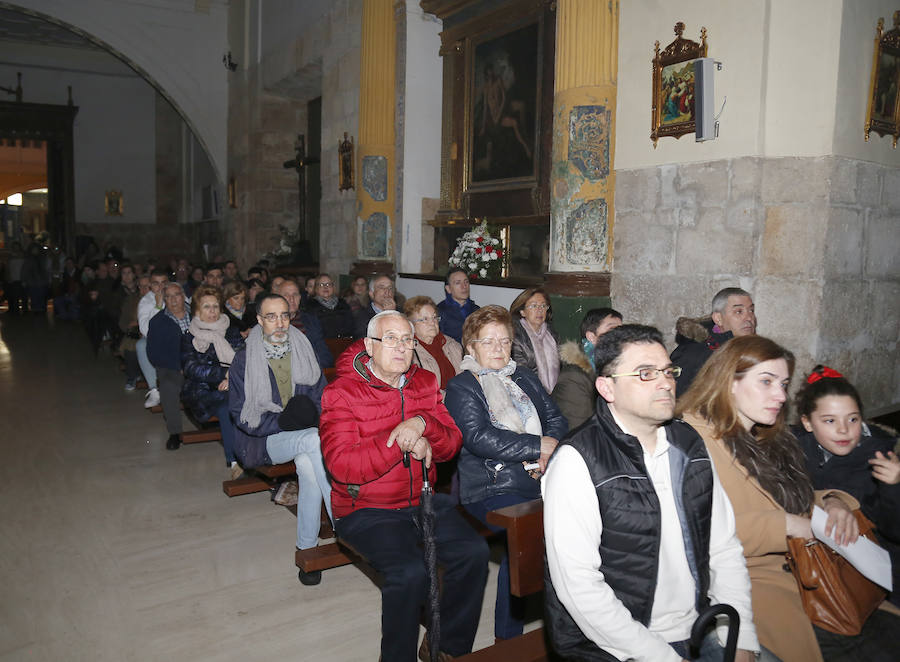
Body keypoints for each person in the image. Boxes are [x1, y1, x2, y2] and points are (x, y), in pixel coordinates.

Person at [543, 324, 760, 662]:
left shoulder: (690, 445)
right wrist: (660, 656)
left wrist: (740, 634)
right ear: (607, 388)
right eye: (645, 373)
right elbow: (580, 587)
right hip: (620, 646)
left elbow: (723, 547)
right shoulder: (577, 461)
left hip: (701, 627)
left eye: (667, 371)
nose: (665, 382)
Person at [677, 335, 900, 662]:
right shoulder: (695, 442)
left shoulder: (763, 436)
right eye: (766, 382)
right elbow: (697, 531)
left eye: (782, 383)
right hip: (767, 587)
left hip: (819, 573)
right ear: (729, 382)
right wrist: (788, 525)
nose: (780, 395)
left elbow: (785, 496)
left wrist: (835, 502)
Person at [320, 310, 489, 661]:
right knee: (409, 573)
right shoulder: (341, 393)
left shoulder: (425, 383)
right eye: (391, 339)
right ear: (369, 346)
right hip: (366, 509)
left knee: (474, 553)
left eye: (408, 340)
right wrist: (402, 440)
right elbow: (343, 465)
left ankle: (447, 648)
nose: (401, 347)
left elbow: (451, 443)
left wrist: (422, 422)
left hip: (421, 499)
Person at [445, 305, 567, 641]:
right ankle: (508, 639)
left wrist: (550, 448)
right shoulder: (462, 387)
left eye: (504, 341)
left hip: (543, 475)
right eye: (489, 342)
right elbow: (480, 438)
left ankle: (568, 623)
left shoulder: (524, 376)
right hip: (491, 485)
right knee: (525, 538)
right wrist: (537, 446)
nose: (499, 349)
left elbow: (556, 418)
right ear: (471, 347)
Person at [228, 293, 333, 584]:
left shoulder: (302, 348)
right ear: (260, 320)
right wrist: (286, 422)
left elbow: (322, 397)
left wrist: (307, 419)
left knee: (309, 467)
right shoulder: (244, 359)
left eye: (284, 315)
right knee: (313, 441)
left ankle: (307, 549)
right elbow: (241, 415)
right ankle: (346, 522)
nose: (279, 323)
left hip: (304, 436)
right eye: (271, 317)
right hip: (263, 439)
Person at [795, 365, 900, 607]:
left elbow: (894, 531)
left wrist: (893, 486)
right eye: (830, 420)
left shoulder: (881, 458)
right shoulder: (797, 450)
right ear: (808, 423)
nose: (844, 430)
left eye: (852, 419)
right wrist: (828, 499)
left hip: (877, 579)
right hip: (818, 568)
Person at [181, 285, 244, 479]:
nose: (212, 311)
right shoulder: (189, 337)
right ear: (197, 311)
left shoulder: (231, 331)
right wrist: (224, 374)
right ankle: (234, 462)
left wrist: (231, 378)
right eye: (206, 306)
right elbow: (192, 368)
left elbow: (244, 358)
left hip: (233, 385)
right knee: (226, 406)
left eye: (215, 306)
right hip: (201, 391)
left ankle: (255, 454)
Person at [671, 287, 756, 392]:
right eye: (739, 311)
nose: (749, 318)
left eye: (751, 310)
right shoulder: (695, 355)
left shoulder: (755, 350)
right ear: (718, 319)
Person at [552, 307, 622, 429]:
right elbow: (579, 431)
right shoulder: (574, 378)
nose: (621, 335)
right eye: (612, 329)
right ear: (591, 337)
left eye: (621, 329)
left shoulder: (613, 366)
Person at [147, 283, 191, 450]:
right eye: (169, 296)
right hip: (172, 367)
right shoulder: (158, 322)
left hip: (199, 365)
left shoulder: (198, 314)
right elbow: (154, 354)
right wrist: (180, 365)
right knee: (168, 387)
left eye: (177, 295)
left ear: (183, 295)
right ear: (164, 299)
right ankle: (174, 432)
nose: (173, 300)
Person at [404, 295, 463, 391]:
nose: (432, 322)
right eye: (425, 319)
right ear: (411, 324)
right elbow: (421, 390)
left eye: (434, 317)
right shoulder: (409, 352)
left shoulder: (453, 345)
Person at [510, 287, 560, 393]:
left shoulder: (552, 335)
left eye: (543, 305)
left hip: (556, 394)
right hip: (529, 393)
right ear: (522, 312)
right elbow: (521, 376)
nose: (540, 310)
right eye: (534, 306)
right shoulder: (515, 337)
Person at [276, 278, 333, 369]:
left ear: (300, 297)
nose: (291, 299)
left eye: (295, 294)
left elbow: (325, 356)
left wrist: (310, 368)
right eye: (286, 295)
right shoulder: (270, 324)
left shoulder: (310, 320)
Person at [138, 269, 169, 409]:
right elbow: (145, 330)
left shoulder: (177, 294)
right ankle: (154, 390)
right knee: (141, 345)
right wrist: (157, 306)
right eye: (156, 284)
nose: (161, 287)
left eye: (164, 283)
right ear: (150, 285)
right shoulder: (145, 301)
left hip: (176, 336)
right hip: (156, 340)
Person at [305, 273, 354, 338]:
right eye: (322, 285)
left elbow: (351, 326)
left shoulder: (343, 304)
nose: (325, 287)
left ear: (333, 287)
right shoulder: (310, 306)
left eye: (328, 284)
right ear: (316, 288)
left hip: (343, 343)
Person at [437, 268, 478, 343]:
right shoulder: (440, 311)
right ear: (448, 289)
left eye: (466, 282)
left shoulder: (477, 311)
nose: (464, 286)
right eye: (458, 283)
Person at [352, 274, 396, 338]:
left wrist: (393, 314)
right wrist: (388, 316)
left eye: (390, 288)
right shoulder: (361, 316)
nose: (387, 291)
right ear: (372, 294)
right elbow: (367, 341)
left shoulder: (400, 313)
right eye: (382, 287)